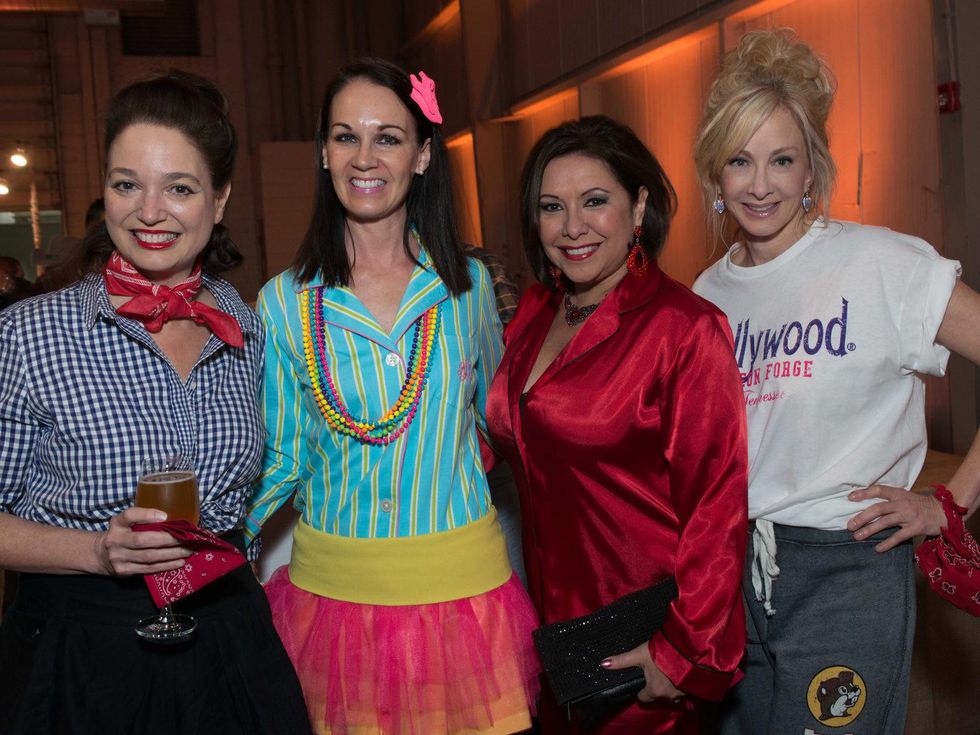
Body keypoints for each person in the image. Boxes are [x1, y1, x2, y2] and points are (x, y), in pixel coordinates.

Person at [0, 71, 310, 735]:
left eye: (179, 187)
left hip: (228, 636)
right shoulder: (29, 334)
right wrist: (95, 552)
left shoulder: (247, 324)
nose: (149, 210)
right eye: (126, 183)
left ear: (219, 199)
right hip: (85, 646)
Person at [691, 28, 980, 734]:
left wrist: (949, 505)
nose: (760, 185)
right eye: (740, 161)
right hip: (731, 573)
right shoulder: (706, 295)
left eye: (782, 160)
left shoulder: (882, 263)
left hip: (847, 570)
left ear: (811, 169)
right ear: (716, 178)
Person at [244, 58, 539, 735]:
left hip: (464, 594)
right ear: (323, 152)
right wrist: (207, 553)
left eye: (388, 136)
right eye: (345, 136)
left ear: (423, 155)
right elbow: (281, 459)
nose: (364, 156)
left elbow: (501, 427)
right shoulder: (284, 303)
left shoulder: (466, 287)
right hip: (334, 599)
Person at [486, 115, 748, 734]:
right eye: (552, 207)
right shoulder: (536, 313)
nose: (572, 227)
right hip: (554, 642)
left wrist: (682, 653)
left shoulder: (684, 329)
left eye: (594, 201)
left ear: (638, 208)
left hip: (640, 645)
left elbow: (717, 507)